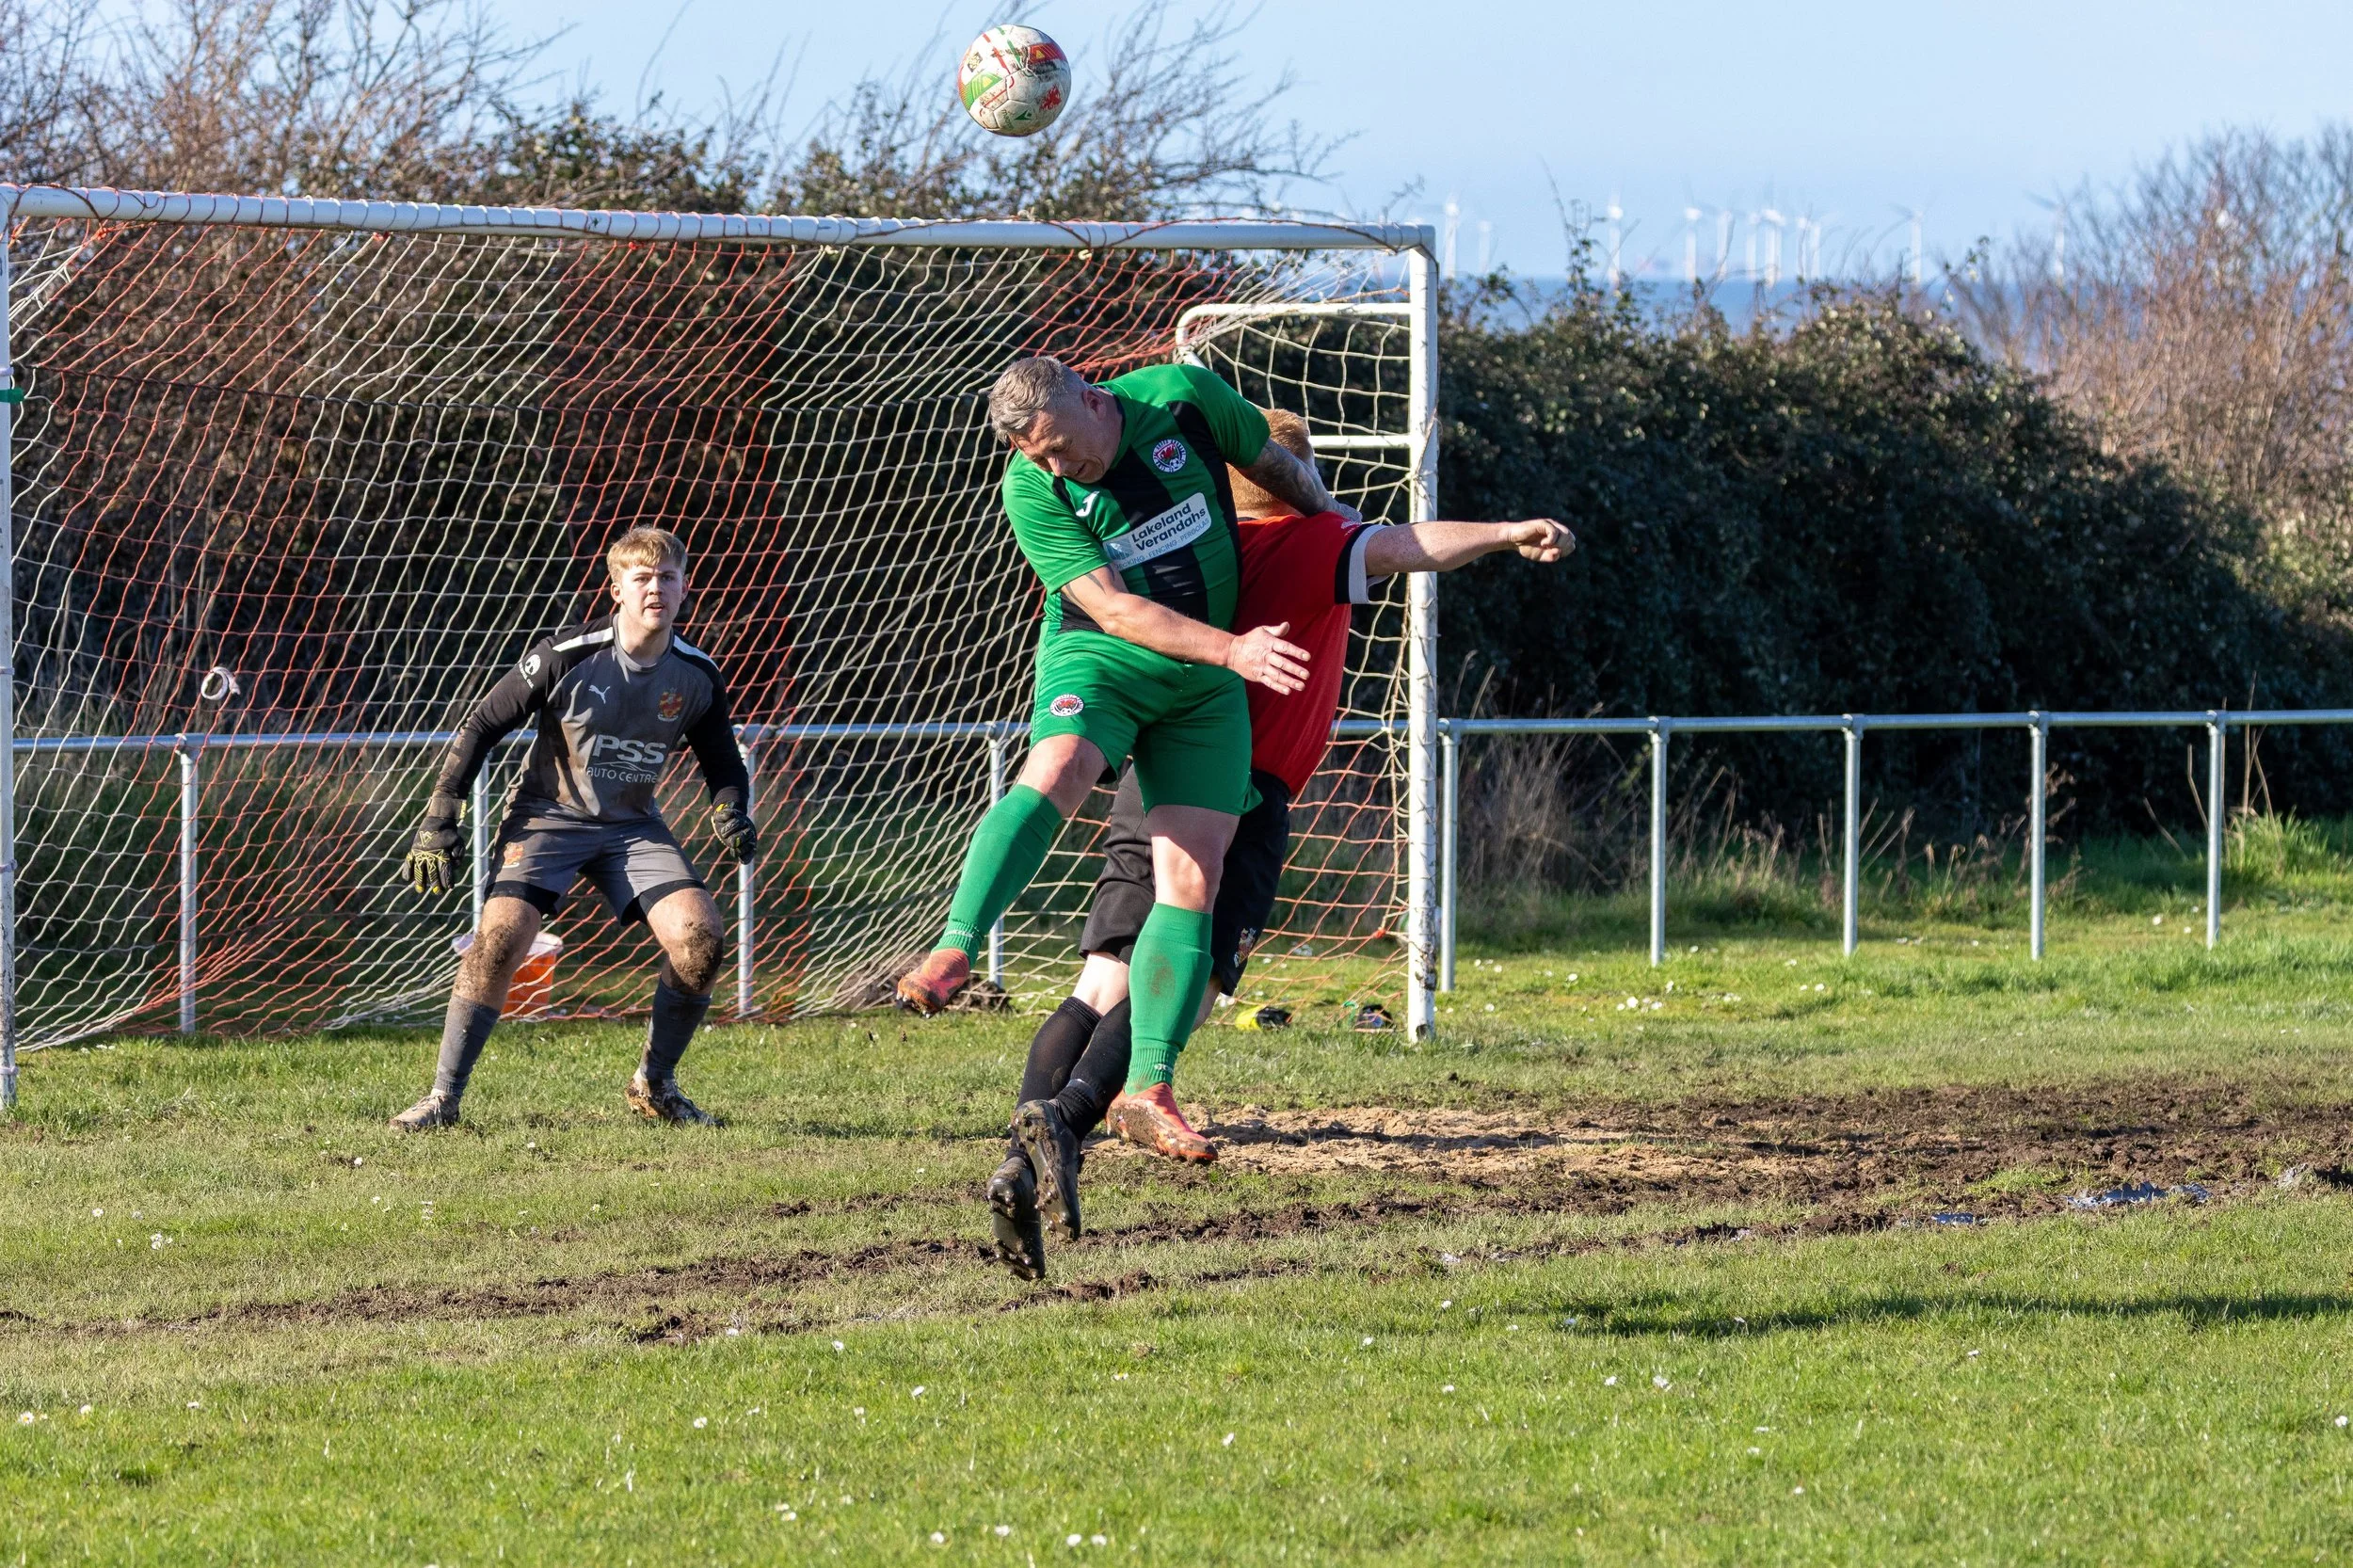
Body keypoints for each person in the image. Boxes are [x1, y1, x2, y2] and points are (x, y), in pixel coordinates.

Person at [986, 409, 1574, 1278]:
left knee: (1103, 979)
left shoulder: (1182, 546)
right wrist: (1505, 532)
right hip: (1239, 794)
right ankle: (1070, 1120)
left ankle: (1015, 1160)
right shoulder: (1304, 542)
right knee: (1197, 978)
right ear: (1298, 478)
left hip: (1152, 773)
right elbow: (1411, 545)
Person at [894, 356, 1352, 1162]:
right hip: (1100, 656)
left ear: (1094, 400)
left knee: (1194, 880)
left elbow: (1270, 461)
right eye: (1036, 456)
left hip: (1203, 682)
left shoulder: (1184, 397)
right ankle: (957, 944)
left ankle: (1149, 1087)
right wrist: (1234, 649)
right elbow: (1108, 606)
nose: (1054, 467)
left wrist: (1322, 510)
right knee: (1059, 767)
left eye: (1061, 448)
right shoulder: (1030, 488)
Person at [389, 525, 759, 1130]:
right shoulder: (566, 654)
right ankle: (442, 1100)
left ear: (684, 587)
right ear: (616, 589)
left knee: (702, 937)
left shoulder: (697, 674)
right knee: (501, 939)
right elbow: (482, 724)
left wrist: (729, 808)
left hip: (633, 828)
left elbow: (722, 761)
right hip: (547, 820)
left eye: (667, 576)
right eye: (641, 578)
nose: (655, 588)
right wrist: (440, 815)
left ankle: (655, 1085)